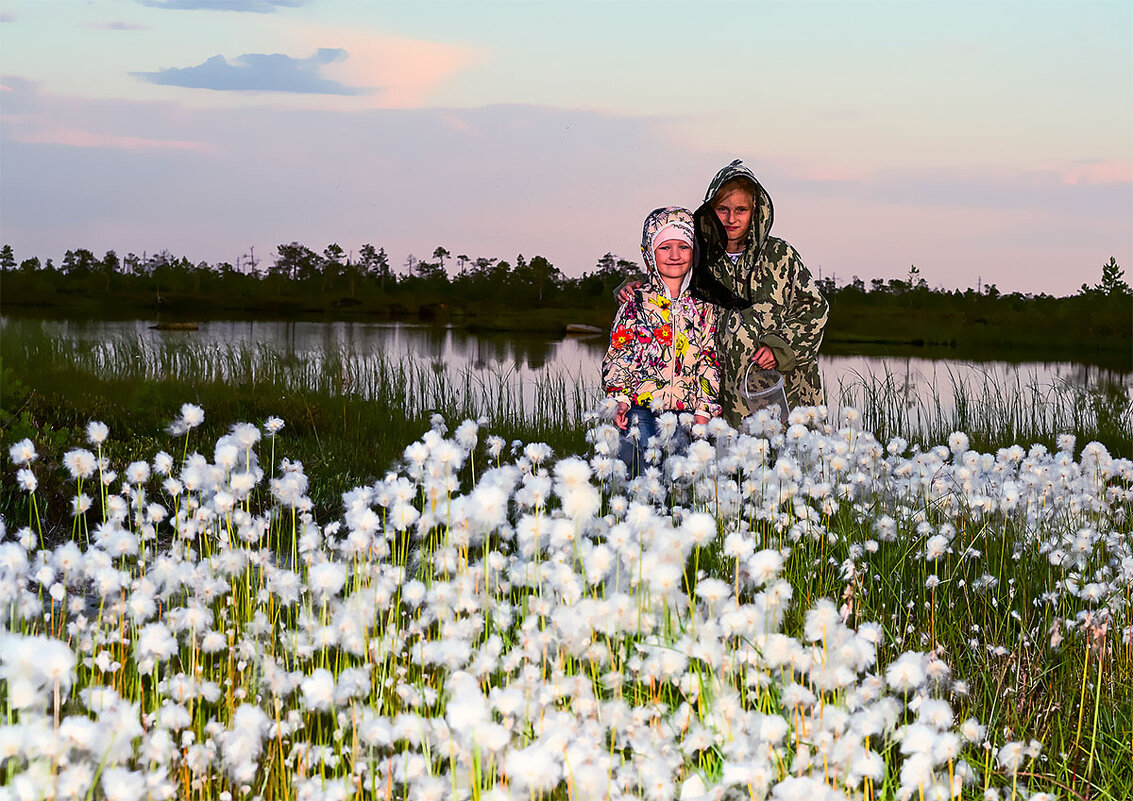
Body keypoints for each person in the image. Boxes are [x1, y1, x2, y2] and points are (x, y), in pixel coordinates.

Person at [620, 160, 829, 425]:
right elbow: (668, 277)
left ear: (756, 211)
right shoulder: (700, 256)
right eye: (723, 209)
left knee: (788, 460)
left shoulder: (780, 255)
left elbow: (814, 308)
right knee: (731, 463)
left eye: (741, 210)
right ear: (710, 210)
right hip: (722, 405)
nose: (732, 219)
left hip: (785, 395)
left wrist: (780, 347)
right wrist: (634, 286)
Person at [603, 206, 721, 477]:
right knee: (642, 477)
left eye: (683, 246)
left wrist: (704, 410)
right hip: (639, 409)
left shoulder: (703, 307)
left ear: (694, 252)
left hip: (686, 414)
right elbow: (619, 353)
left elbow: (709, 360)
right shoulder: (635, 302)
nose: (675, 255)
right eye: (665, 247)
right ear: (649, 253)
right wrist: (618, 398)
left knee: (680, 481)